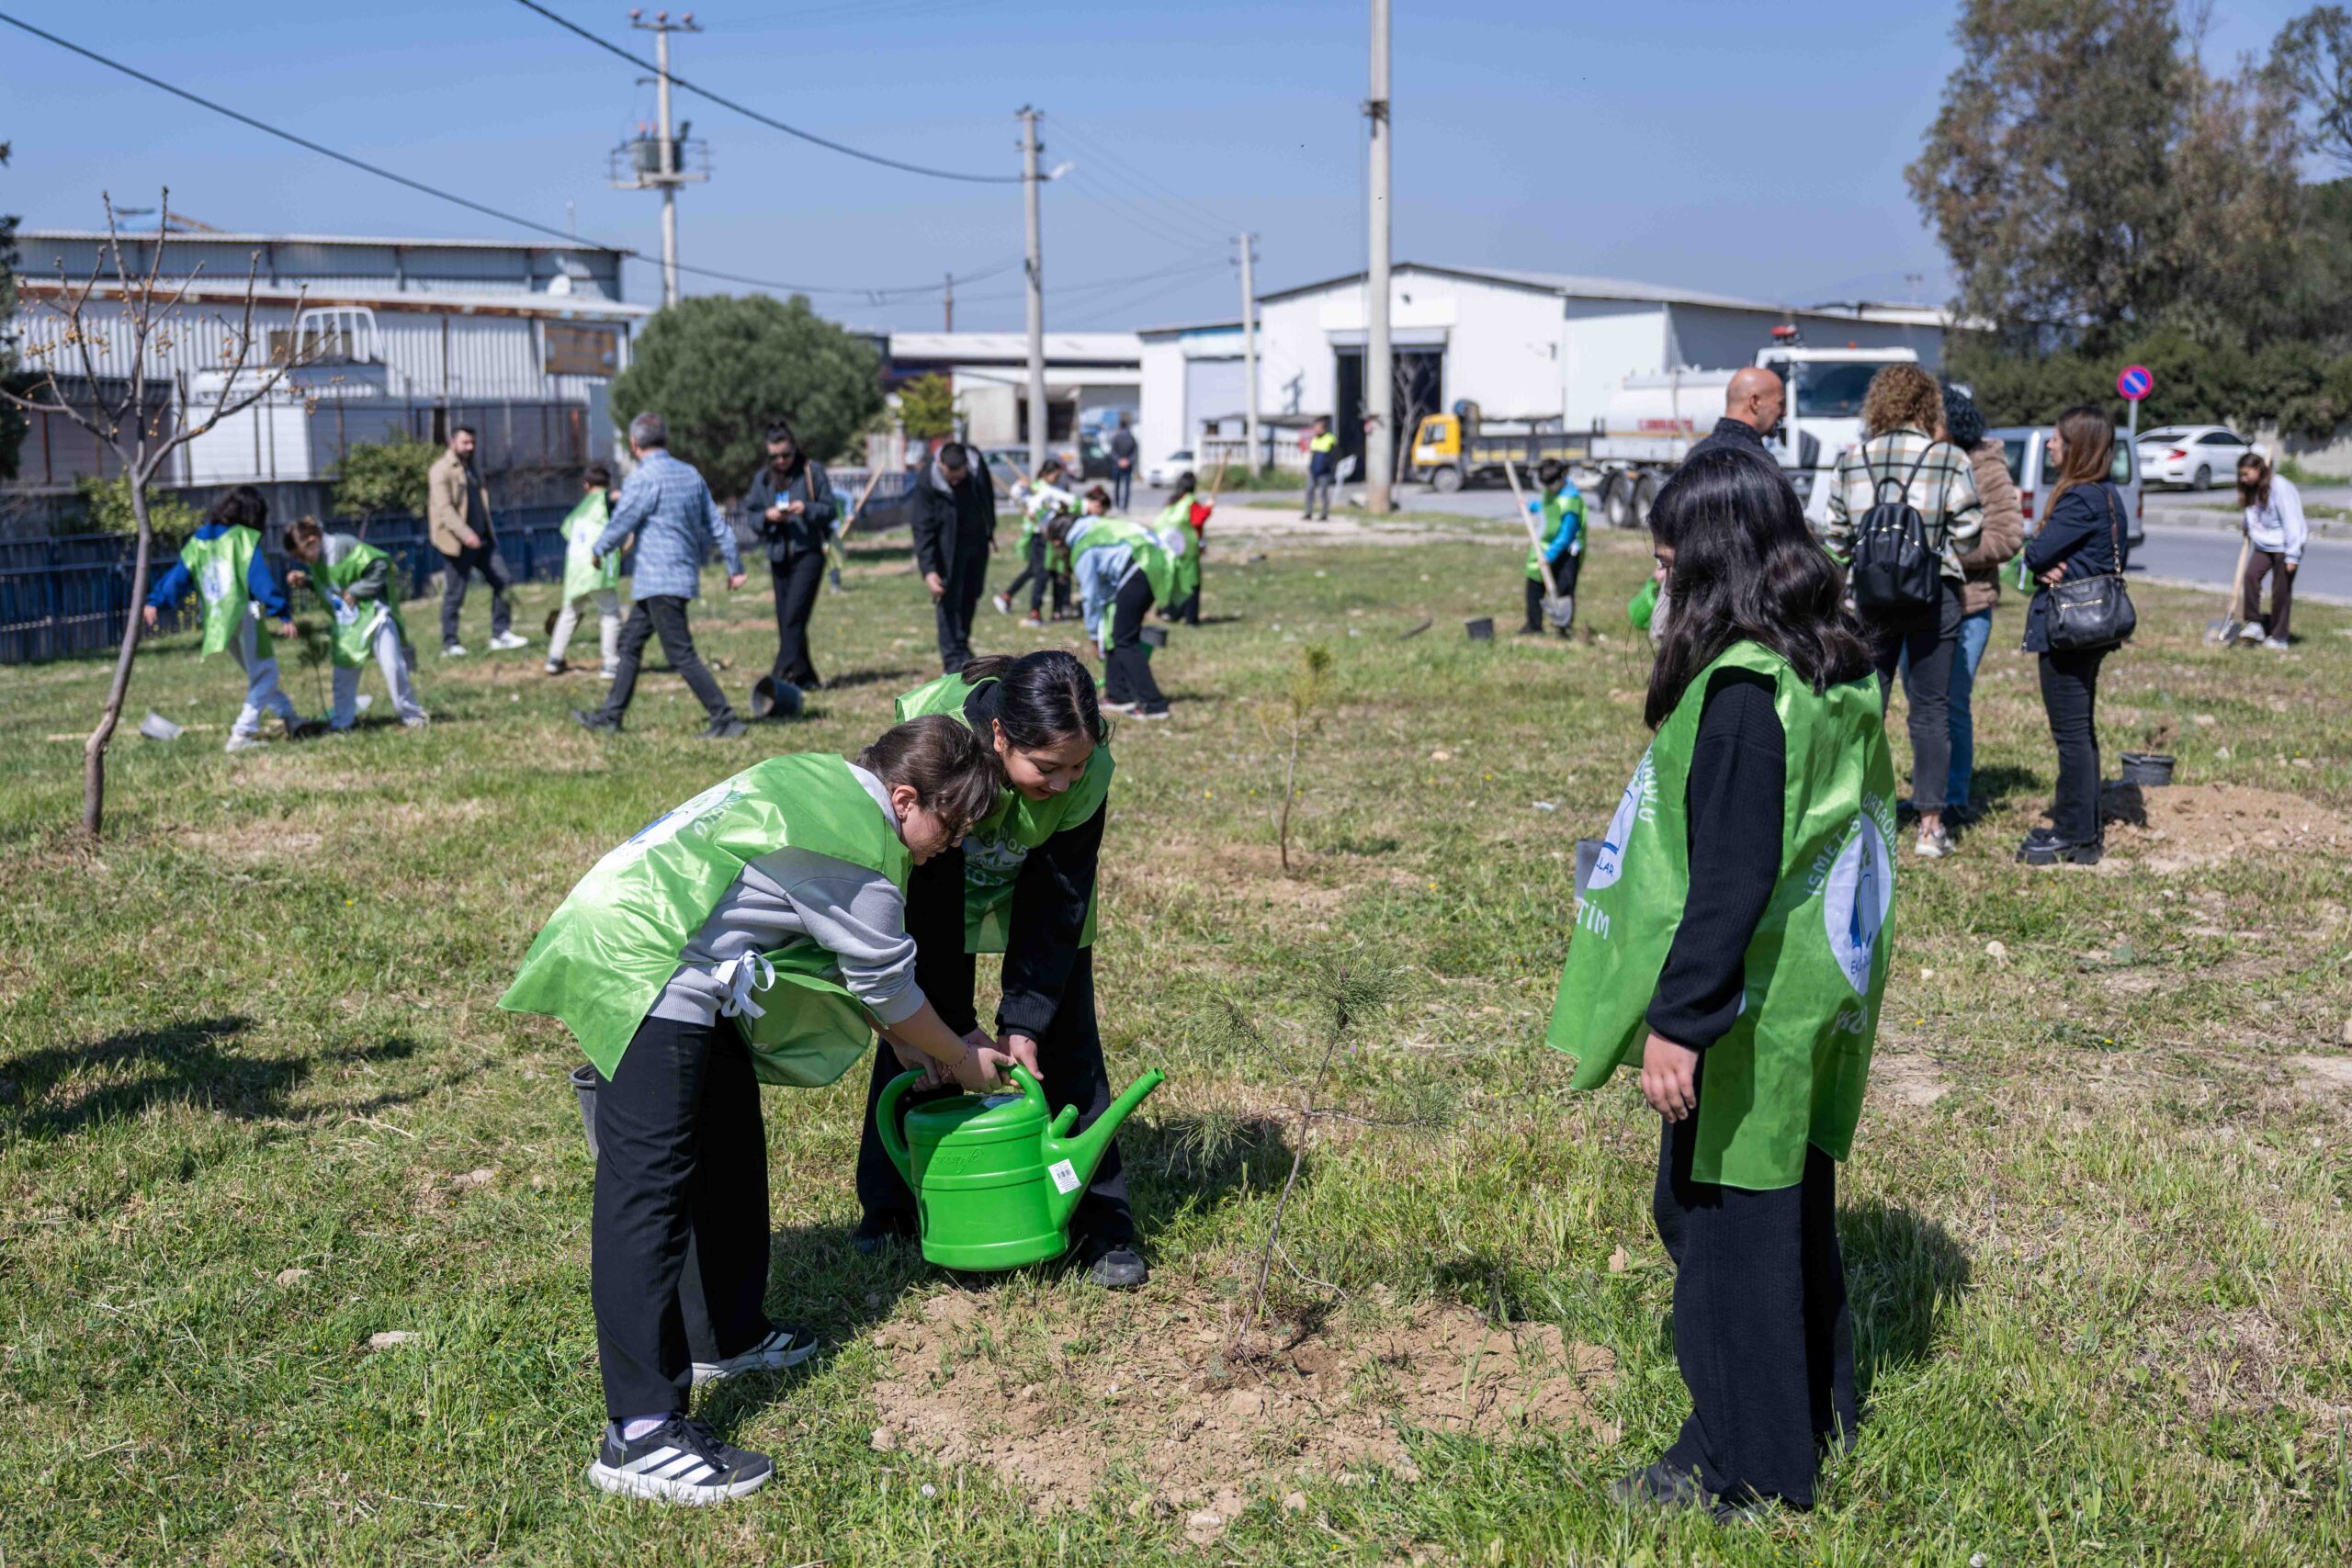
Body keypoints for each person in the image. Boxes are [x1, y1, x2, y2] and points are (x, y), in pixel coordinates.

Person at [500, 716, 1012, 1505]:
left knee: (727, 1137)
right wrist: (958, 1053)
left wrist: (910, 1038)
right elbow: (887, 985)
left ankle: (724, 1335)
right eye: (951, 825)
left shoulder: (819, 779)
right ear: (905, 798)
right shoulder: (861, 854)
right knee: (648, 1188)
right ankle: (638, 1434)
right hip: (647, 958)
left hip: (669, 942)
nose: (951, 845)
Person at [1548, 446, 1891, 1520]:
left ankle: (1741, 1464)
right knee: (1785, 1211)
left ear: (1714, 565)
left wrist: (1679, 1021)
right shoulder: (1826, 662)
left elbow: (1728, 876)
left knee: (1716, 1225)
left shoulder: (1743, 695)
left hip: (1747, 1002)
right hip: (1814, 985)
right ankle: (1815, 1410)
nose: (1657, 586)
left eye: (1666, 566)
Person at [855, 650, 1146, 1286]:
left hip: (1036, 879)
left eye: (1078, 765)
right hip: (940, 867)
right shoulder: (940, 742)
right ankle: (895, 1206)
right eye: (1047, 768)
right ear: (998, 736)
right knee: (923, 1033)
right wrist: (951, 1030)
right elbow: (927, 903)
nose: (1066, 782)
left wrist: (1025, 1015)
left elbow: (1060, 897)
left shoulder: (1084, 773)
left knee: (1068, 1038)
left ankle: (1102, 1222)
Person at [1821, 363, 1982, 861]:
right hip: (1936, 596)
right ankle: (1931, 828)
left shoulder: (1852, 460)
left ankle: (1854, 816)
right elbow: (1971, 533)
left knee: (1868, 704)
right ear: (1927, 405)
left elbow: (1836, 538)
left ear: (1879, 405)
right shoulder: (1948, 458)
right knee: (1931, 709)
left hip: (1871, 599)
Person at [575, 412, 749, 739]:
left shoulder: (643, 478)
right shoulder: (690, 474)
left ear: (634, 443)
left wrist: (599, 549)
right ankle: (611, 716)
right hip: (677, 577)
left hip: (659, 580)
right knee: (630, 644)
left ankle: (724, 717)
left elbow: (623, 519)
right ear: (665, 441)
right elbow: (717, 525)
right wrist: (734, 567)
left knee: (680, 653)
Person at [2017, 406, 2130, 868]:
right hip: (2092, 624)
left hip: (2070, 627)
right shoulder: (2105, 494)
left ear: (2077, 446)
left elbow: (2035, 551)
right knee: (2079, 728)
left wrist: (2045, 557)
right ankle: (2083, 828)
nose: (2049, 445)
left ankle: (2075, 835)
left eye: (2057, 438)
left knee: (2071, 733)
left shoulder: (2079, 498)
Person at [141, 485, 312, 753]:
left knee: (260, 674)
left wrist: (155, 601)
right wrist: (281, 611)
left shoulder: (200, 538)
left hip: (217, 619)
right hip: (242, 614)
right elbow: (258, 579)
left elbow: (179, 575)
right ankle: (241, 733)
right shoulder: (243, 537)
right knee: (266, 672)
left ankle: (290, 717)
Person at [1939, 387, 2023, 821]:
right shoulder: (1924, 459)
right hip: (1920, 604)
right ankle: (1931, 795)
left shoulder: (1985, 464)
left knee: (1953, 701)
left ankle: (1954, 798)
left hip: (1969, 605)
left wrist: (1944, 553)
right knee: (1926, 707)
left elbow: (2007, 537)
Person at [282, 515, 428, 731]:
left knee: (393, 667)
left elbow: (379, 564)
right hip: (349, 626)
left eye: (303, 556)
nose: (304, 562)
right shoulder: (317, 559)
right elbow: (331, 587)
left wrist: (358, 591)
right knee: (342, 677)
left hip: (374, 617)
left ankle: (412, 715)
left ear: (313, 541)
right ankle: (342, 722)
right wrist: (306, 581)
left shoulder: (343, 546)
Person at [1049, 486, 1174, 719]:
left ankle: (1154, 705)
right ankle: (1119, 695)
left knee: (1124, 640)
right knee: (1120, 632)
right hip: (1154, 562)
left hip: (1141, 565)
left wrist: (1093, 634)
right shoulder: (1096, 526)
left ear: (1060, 540)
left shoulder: (1082, 546)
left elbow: (1091, 595)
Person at [743, 419, 836, 690]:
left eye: (785, 455)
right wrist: (768, 516)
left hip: (808, 552)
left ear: (794, 449)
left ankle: (778, 677)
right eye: (774, 456)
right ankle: (805, 677)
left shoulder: (811, 471)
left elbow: (829, 509)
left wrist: (805, 508)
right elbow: (751, 515)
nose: (781, 461)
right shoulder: (762, 479)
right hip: (778, 555)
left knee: (794, 616)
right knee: (787, 620)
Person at [427, 426, 528, 659]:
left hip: (483, 539)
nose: (470, 447)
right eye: (465, 443)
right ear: (452, 442)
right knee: (455, 593)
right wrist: (466, 535)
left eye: (472, 443)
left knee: (503, 580)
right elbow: (444, 510)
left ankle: (500, 634)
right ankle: (450, 643)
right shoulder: (440, 470)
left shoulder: (473, 468)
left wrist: (480, 534)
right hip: (457, 542)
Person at [907, 442, 998, 674]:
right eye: (951, 479)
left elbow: (987, 497)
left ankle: (962, 648)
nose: (955, 482)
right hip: (945, 549)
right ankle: (951, 660)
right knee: (948, 600)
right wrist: (928, 569)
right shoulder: (928, 480)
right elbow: (922, 526)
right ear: (941, 465)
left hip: (976, 545)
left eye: (960, 477)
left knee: (971, 595)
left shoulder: (977, 466)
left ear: (967, 466)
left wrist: (990, 530)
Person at [548, 465, 625, 679]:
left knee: (570, 613)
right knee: (609, 614)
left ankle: (554, 658)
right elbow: (618, 497)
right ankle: (610, 663)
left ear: (585, 485)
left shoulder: (580, 508)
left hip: (575, 570)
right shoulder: (605, 499)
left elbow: (566, 531)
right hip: (597, 567)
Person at [2234, 453, 2304, 649]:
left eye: (2246, 474)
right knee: (2250, 577)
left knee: (2280, 590)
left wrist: (2293, 555)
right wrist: (2247, 524)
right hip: (2264, 544)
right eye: (2241, 475)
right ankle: (2255, 624)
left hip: (2285, 545)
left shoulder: (2280, 488)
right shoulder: (2252, 488)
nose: (2243, 479)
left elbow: (2293, 521)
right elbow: (2253, 512)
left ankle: (2279, 637)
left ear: (2258, 470)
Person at [997, 457, 1073, 626]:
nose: (1056, 477)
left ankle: (1057, 612)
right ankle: (1034, 612)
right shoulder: (1036, 487)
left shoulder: (1058, 489)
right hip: (1040, 536)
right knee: (1041, 574)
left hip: (1056, 537)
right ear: (1046, 473)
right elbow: (1016, 494)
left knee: (1058, 573)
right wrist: (1021, 485)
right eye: (1054, 474)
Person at [1518, 457, 1585, 637]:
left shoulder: (1571, 500)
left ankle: (1563, 628)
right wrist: (1531, 506)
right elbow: (1547, 507)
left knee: (1564, 588)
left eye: (1550, 485)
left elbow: (1567, 534)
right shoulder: (1551, 491)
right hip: (1545, 546)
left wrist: (1550, 555)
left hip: (1567, 551)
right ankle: (1534, 624)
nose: (1547, 489)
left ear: (1561, 478)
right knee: (1534, 583)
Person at [1684, 367, 1783, 463]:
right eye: (1780, 404)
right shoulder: (1759, 461)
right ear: (1755, 402)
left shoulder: (1694, 455)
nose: (1784, 412)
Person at [1154, 470, 1209, 626]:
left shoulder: (1172, 501)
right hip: (1188, 549)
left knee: (1175, 581)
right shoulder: (1190, 502)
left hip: (1171, 549)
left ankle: (1171, 612)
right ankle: (1191, 618)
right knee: (1192, 584)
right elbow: (1198, 520)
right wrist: (1209, 508)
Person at [1304, 416, 1339, 521]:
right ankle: (1308, 513)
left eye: (1316, 427)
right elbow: (1313, 455)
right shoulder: (1314, 439)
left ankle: (1324, 514)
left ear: (1323, 427)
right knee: (1309, 491)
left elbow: (1335, 456)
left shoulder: (1330, 439)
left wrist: (1331, 470)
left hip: (1325, 472)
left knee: (1323, 493)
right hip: (1313, 470)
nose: (1315, 429)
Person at [1108, 414, 1138, 512]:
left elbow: (1112, 452)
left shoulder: (1116, 438)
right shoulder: (1131, 438)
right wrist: (1128, 461)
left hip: (1117, 465)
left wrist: (1119, 460)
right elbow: (1135, 452)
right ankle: (1125, 507)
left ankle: (1116, 506)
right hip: (1127, 465)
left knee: (1117, 487)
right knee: (1126, 487)